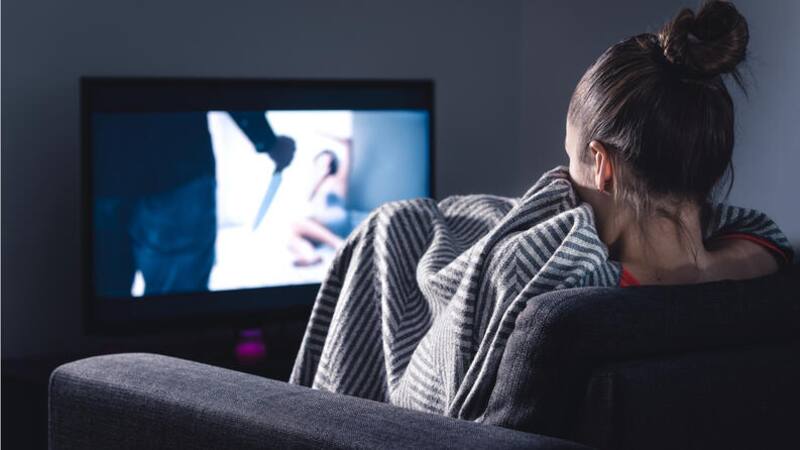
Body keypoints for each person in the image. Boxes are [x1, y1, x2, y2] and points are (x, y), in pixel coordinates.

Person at [563, 0, 790, 286]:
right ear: (713, 168)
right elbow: (765, 232)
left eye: (569, 156)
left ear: (602, 166)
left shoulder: (576, 295)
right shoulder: (765, 261)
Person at [93, 110, 295, 298]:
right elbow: (225, 78)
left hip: (103, 172)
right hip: (176, 167)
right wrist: (268, 142)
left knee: (108, 302)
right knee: (177, 306)